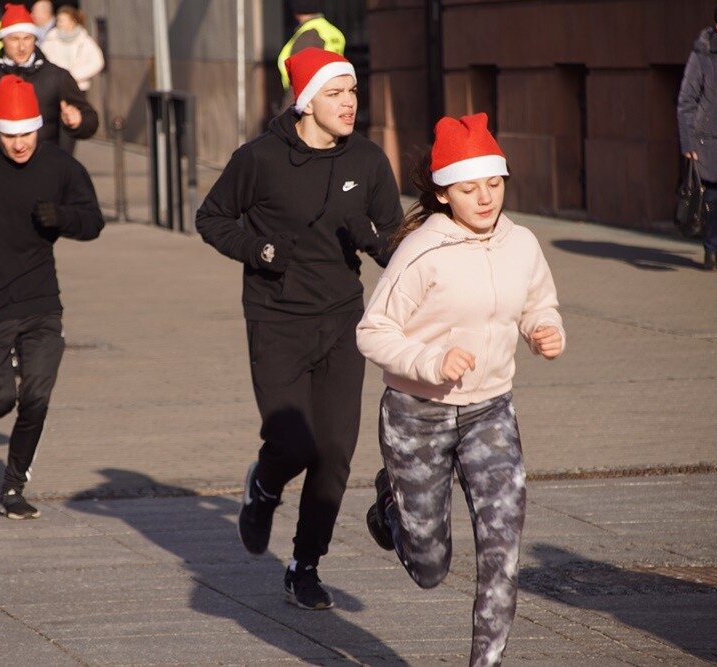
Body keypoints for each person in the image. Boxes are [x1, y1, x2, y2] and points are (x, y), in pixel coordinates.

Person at [195, 47, 403, 610]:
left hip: (342, 320)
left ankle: (304, 565)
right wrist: (257, 249)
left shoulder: (367, 160)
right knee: (293, 443)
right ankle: (263, 487)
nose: (349, 103)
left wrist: (375, 240)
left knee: (334, 451)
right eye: (335, 93)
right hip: (277, 318)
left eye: (353, 92)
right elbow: (210, 217)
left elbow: (400, 248)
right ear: (305, 100)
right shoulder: (259, 159)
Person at [356, 113, 565, 667]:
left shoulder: (520, 242)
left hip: (489, 412)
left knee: (503, 550)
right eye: (470, 188)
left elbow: (537, 301)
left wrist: (545, 330)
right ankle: (392, 509)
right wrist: (432, 360)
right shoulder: (422, 251)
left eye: (494, 184)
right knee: (430, 567)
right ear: (445, 192)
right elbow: (372, 331)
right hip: (415, 413)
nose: (486, 198)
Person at [0, 74, 105, 520]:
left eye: (28, 133)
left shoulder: (60, 166)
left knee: (36, 397)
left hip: (41, 303)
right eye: (11, 135)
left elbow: (93, 221)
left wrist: (63, 218)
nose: (20, 144)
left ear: (40, 126)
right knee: (1, 398)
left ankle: (13, 487)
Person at [0, 2, 98, 156]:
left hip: (46, 169)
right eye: (14, 39)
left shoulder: (57, 76)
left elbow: (90, 120)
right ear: (2, 40)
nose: (22, 47)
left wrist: (78, 122)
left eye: (27, 38)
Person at [678, 2, 717, 271]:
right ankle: (710, 251)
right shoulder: (703, 54)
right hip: (710, 144)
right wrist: (689, 142)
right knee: (712, 201)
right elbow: (686, 101)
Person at [277, 0, 345, 93]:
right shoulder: (334, 32)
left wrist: (292, 105)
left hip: (311, 98)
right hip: (333, 92)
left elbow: (300, 77)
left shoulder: (309, 34)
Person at [40, 5, 104, 96]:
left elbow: (98, 61)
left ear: (72, 21)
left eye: (63, 20)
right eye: (58, 20)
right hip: (55, 86)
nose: (59, 23)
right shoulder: (50, 39)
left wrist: (76, 75)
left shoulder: (84, 40)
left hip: (78, 87)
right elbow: (42, 60)